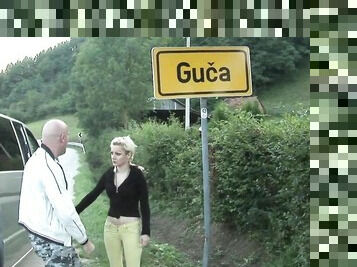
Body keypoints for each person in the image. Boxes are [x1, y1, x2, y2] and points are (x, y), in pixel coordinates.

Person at [18, 119, 95, 266]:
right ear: (62, 138)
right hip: (51, 237)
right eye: (67, 136)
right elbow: (65, 210)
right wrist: (84, 240)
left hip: (38, 232)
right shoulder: (48, 166)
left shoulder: (36, 159)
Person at [76, 136, 150, 267]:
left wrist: (145, 232)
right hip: (110, 229)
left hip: (131, 229)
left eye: (118, 153)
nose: (113, 157)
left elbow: (144, 205)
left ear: (128, 155)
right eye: (112, 153)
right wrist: (74, 212)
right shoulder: (108, 174)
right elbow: (92, 195)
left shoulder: (137, 175)